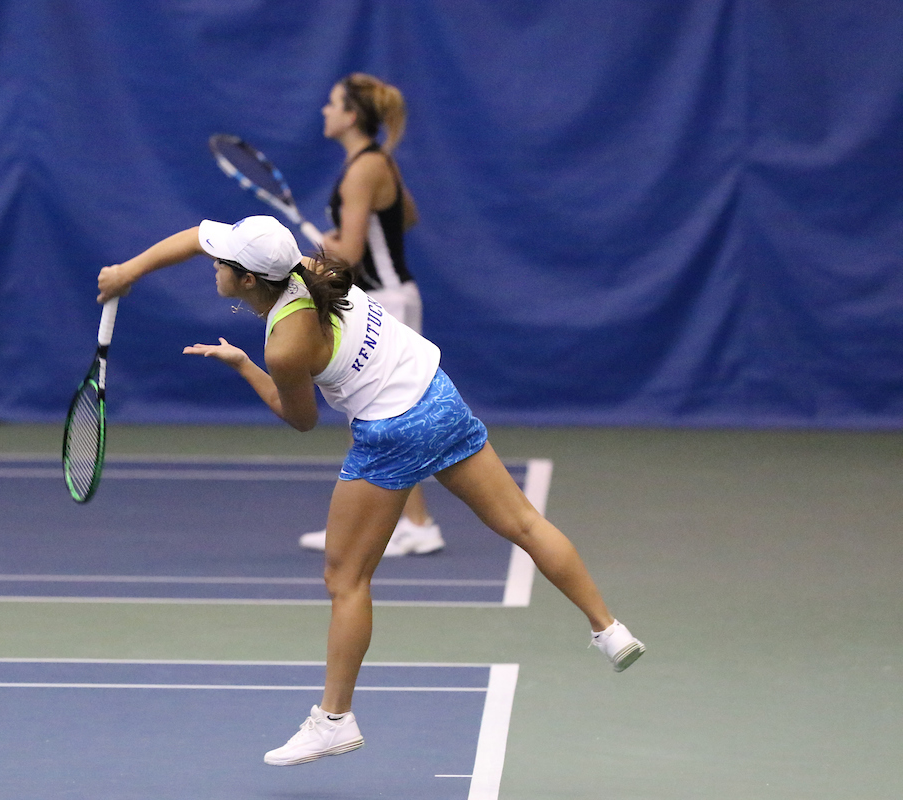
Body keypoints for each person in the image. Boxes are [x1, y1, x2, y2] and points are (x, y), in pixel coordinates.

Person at [96, 214, 645, 767]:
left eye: (222, 263)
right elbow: (196, 236)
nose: (211, 263)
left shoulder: (285, 346)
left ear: (245, 281)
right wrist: (127, 273)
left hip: (390, 434)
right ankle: (609, 629)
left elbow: (301, 419)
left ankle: (334, 720)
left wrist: (244, 366)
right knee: (524, 523)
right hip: (438, 394)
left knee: (345, 578)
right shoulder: (309, 268)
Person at [300, 72, 440, 557]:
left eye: (332, 102)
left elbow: (350, 253)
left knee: (388, 415)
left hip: (386, 301)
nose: (325, 110)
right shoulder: (377, 163)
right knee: (384, 415)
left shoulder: (363, 169)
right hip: (392, 294)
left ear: (351, 115)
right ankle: (394, 524)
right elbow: (408, 215)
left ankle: (417, 524)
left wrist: (316, 247)